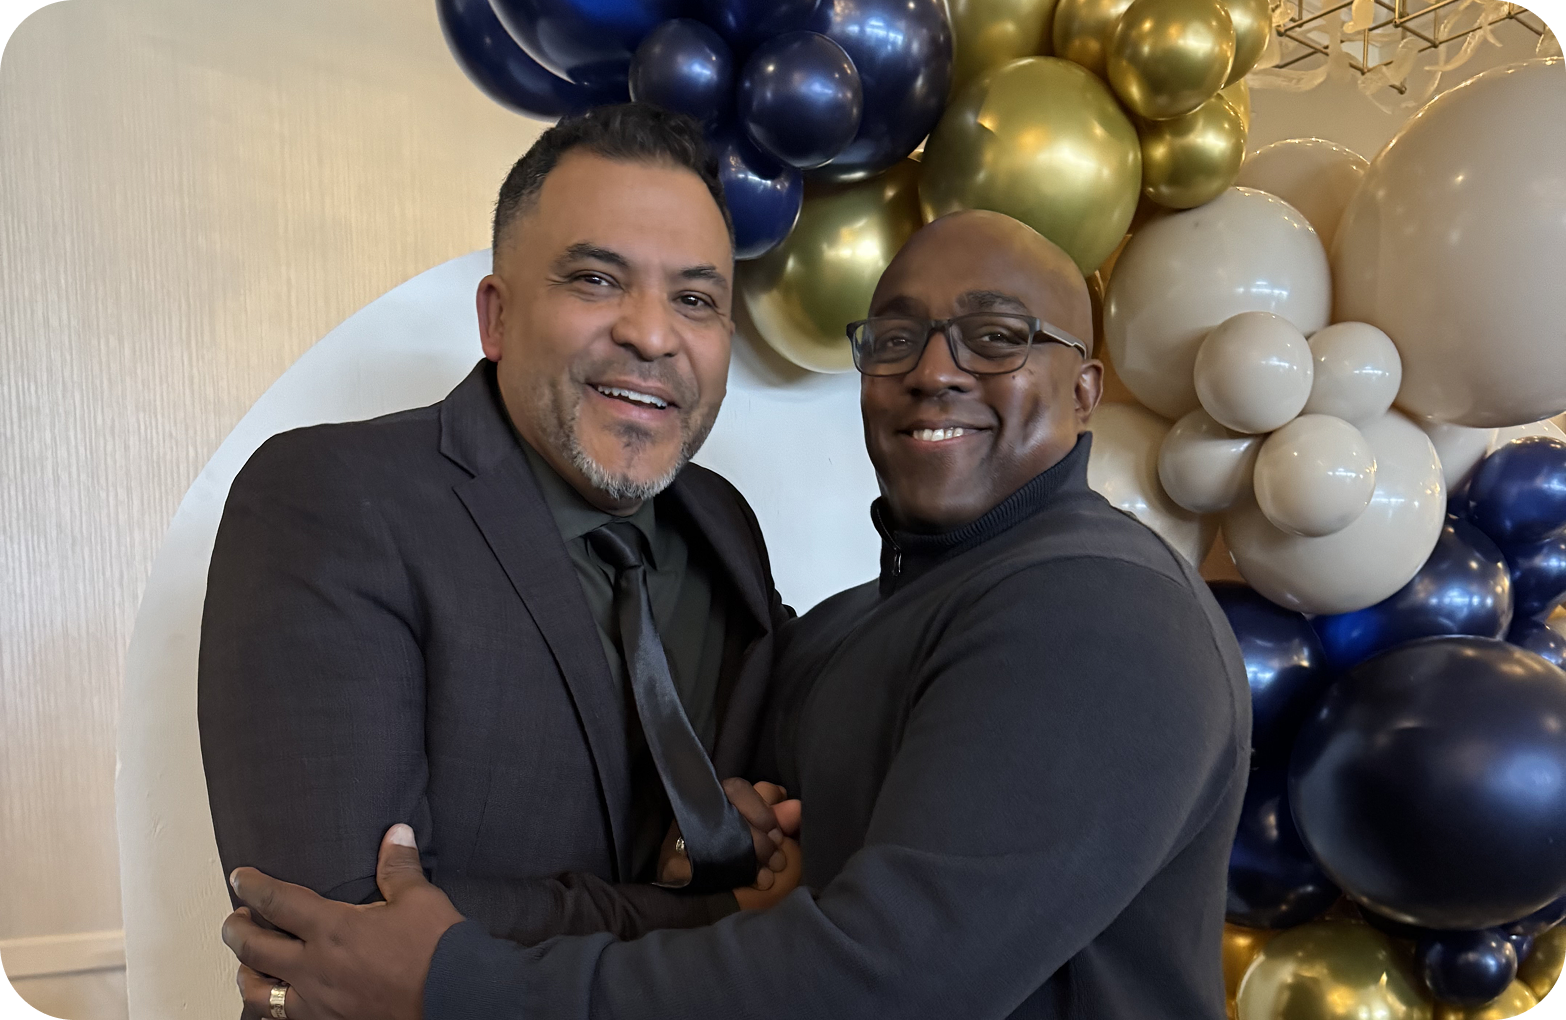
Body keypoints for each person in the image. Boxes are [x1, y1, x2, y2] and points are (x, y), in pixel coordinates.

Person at [221, 210, 1252, 1020]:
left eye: (995, 337)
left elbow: (884, 983)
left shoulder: (1100, 608)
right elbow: (750, 876)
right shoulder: (846, 623)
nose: (935, 370)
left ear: (1085, 390)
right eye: (897, 337)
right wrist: (721, 838)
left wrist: (460, 984)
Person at [198, 102, 802, 965]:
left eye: (695, 298)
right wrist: (721, 915)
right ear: (498, 318)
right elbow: (345, 928)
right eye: (596, 280)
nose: (651, 333)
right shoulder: (328, 499)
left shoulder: (724, 524)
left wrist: (712, 848)